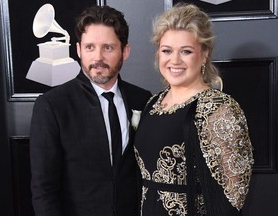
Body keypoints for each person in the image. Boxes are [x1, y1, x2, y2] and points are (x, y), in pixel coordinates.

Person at [29, 5, 152, 216]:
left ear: (125, 51)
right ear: (78, 50)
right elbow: (44, 190)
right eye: (89, 47)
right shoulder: (53, 106)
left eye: (108, 48)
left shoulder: (143, 99)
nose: (98, 58)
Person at [133, 3, 254, 216]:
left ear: (204, 54)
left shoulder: (218, 109)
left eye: (186, 51)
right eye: (167, 51)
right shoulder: (152, 104)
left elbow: (235, 193)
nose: (175, 60)